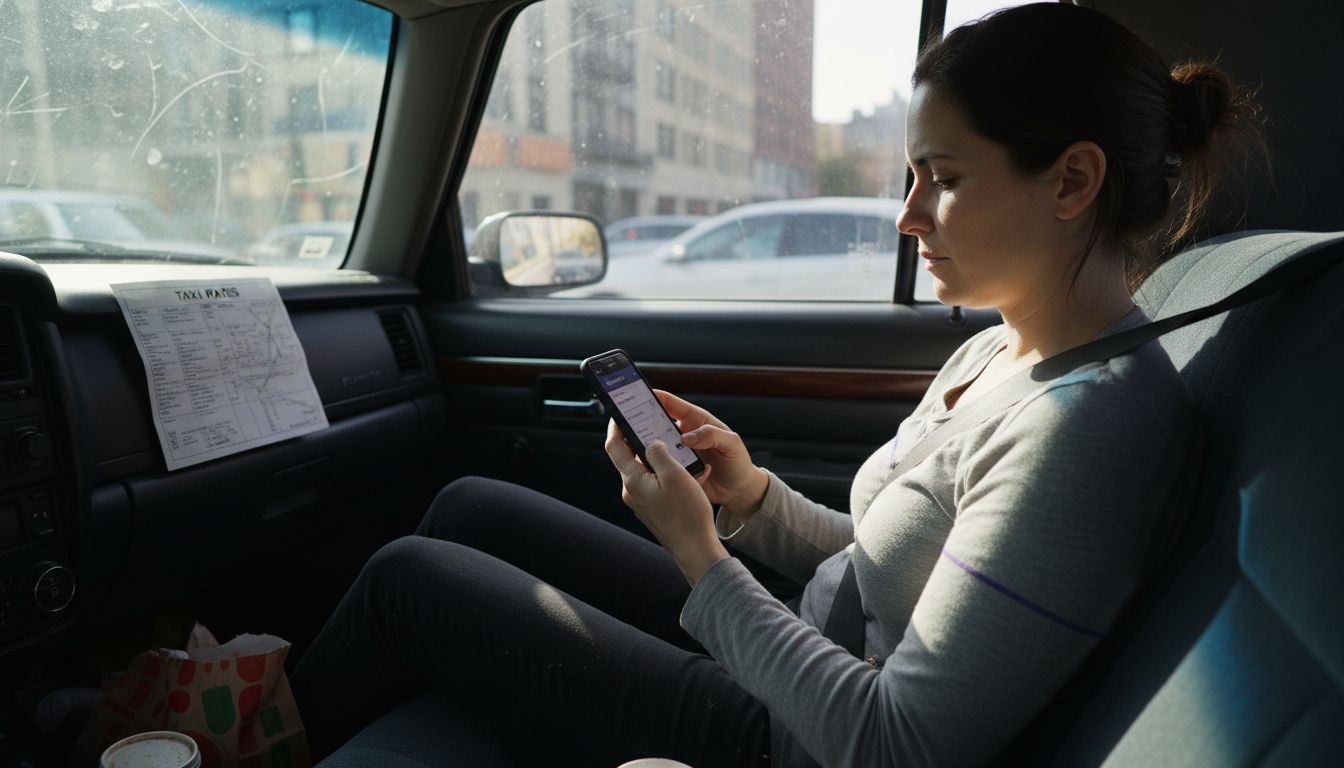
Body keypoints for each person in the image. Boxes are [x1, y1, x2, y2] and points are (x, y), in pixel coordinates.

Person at [290, 4, 1265, 765]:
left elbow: (898, 747)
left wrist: (701, 556)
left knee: (403, 583)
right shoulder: (997, 350)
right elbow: (891, 563)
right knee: (468, 506)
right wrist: (751, 498)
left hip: (790, 741)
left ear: (1070, 182)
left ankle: (234, 741)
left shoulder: (1088, 434)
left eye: (944, 177)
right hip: (807, 654)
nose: (907, 215)